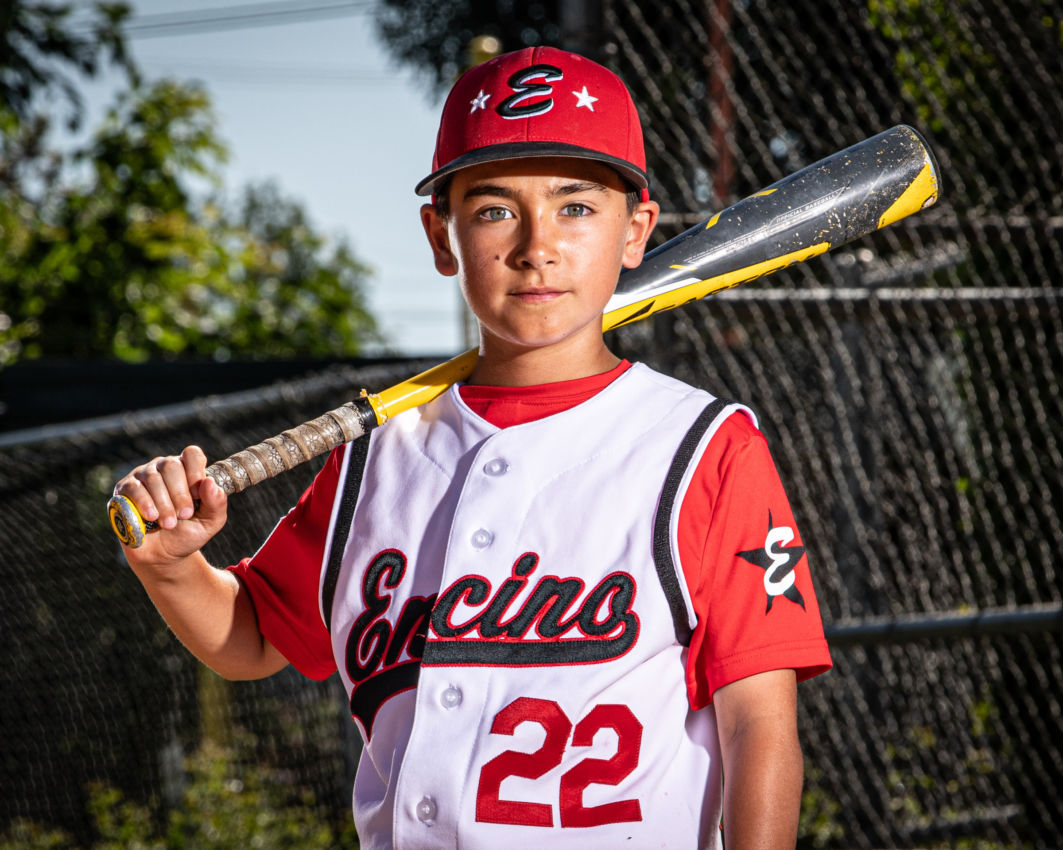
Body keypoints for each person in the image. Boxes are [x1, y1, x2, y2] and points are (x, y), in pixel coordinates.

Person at [113, 46, 832, 850]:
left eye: (575, 207)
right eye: (493, 210)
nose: (536, 245)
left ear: (636, 231)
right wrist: (173, 567)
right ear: (440, 235)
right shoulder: (374, 459)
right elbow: (252, 636)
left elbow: (757, 723)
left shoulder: (699, 447)